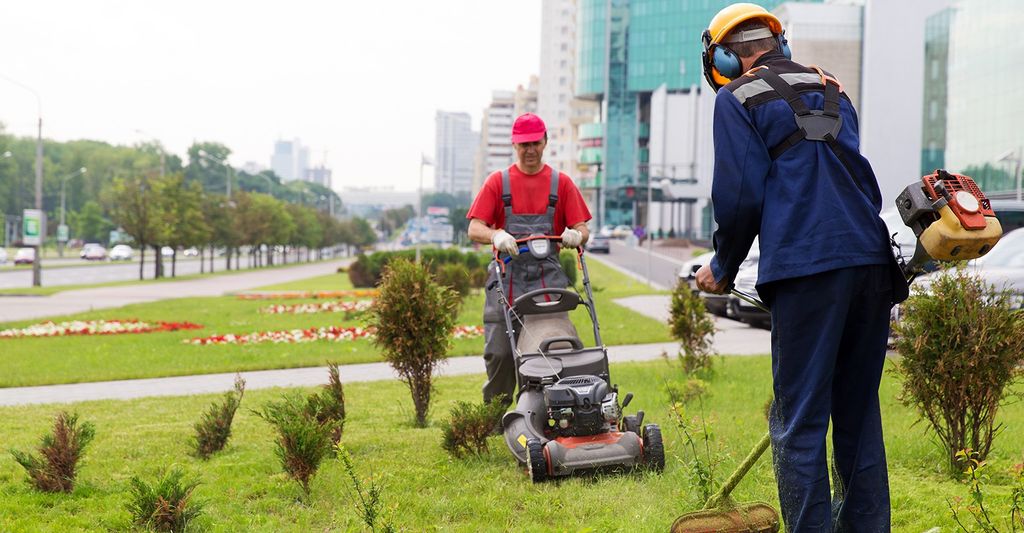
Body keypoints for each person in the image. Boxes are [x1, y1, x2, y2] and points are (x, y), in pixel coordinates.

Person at [694, 4, 908, 531]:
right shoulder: (833, 89)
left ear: (723, 56)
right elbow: (857, 177)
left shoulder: (736, 97)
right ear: (777, 43)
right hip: (870, 261)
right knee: (858, 414)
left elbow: (740, 196)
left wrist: (722, 265)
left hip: (808, 269)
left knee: (800, 420)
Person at [466, 113, 592, 405]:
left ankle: (553, 411)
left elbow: (582, 228)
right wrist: (496, 235)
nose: (530, 150)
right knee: (499, 354)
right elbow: (474, 227)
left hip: (546, 286)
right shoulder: (498, 182)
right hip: (505, 282)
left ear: (545, 142)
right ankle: (495, 416)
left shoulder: (561, 184)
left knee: (553, 349)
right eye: (524, 145)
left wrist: (576, 236)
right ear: (514, 145)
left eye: (535, 143)